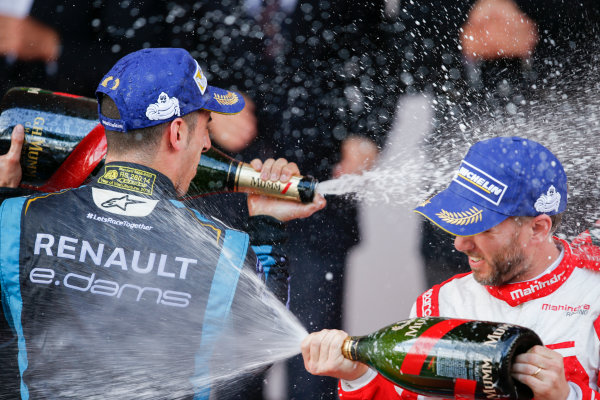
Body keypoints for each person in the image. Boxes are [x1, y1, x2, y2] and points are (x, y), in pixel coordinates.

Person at [0, 47, 326, 399]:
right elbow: (261, 343)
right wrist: (267, 223)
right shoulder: (224, 251)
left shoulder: (14, 219)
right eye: (206, 128)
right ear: (177, 133)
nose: (206, 144)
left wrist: (3, 191)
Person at [301, 136, 600, 399]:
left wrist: (567, 396)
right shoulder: (439, 304)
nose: (460, 244)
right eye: (458, 222)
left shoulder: (593, 298)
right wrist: (358, 377)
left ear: (537, 229)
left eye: (482, 228)